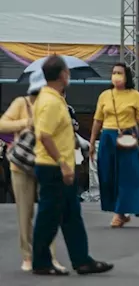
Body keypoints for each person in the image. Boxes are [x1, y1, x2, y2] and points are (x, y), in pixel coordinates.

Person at [30, 55, 113, 275]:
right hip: (53, 167)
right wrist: (63, 165)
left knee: (71, 215)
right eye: (67, 72)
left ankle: (82, 260)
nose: (69, 76)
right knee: (49, 215)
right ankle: (41, 261)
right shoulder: (49, 102)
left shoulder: (54, 99)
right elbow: (44, 135)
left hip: (59, 165)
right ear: (62, 75)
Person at [0, 72, 66, 273]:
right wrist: (26, 123)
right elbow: (3, 124)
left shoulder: (57, 104)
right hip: (21, 165)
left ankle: (49, 257)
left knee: (48, 213)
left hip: (46, 164)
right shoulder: (22, 103)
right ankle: (27, 256)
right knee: (24, 213)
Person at [89, 63, 139, 227]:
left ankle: (120, 213)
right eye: (113, 73)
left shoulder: (135, 96)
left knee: (127, 175)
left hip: (127, 138)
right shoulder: (105, 95)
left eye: (119, 73)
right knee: (108, 174)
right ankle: (119, 210)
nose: (116, 76)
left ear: (126, 77)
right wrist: (92, 142)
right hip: (107, 137)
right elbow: (98, 120)